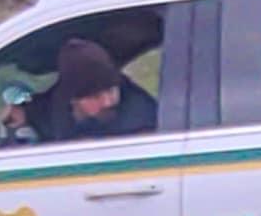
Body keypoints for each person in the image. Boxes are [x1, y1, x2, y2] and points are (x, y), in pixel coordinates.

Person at [9, 37, 156, 143]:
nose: (108, 102)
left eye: (111, 90)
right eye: (95, 96)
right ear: (73, 99)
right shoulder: (55, 106)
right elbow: (35, 110)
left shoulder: (142, 124)